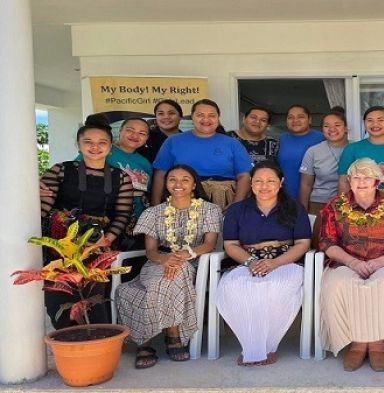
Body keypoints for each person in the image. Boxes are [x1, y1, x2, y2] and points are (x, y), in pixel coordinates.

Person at [115, 165, 221, 369]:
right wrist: (165, 260)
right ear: (165, 184)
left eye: (185, 180)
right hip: (157, 262)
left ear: (193, 185)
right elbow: (151, 251)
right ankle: (172, 337)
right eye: (172, 179)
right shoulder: (153, 212)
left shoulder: (209, 209)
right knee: (157, 280)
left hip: (192, 260)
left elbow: (208, 244)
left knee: (172, 275)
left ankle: (146, 342)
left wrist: (184, 255)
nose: (178, 184)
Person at [318, 158, 384, 372]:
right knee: (340, 283)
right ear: (350, 181)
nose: (361, 182)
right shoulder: (335, 205)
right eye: (356, 177)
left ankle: (377, 345)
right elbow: (326, 242)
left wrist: (382, 261)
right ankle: (357, 344)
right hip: (345, 261)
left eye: (367, 177)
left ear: (377, 182)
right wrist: (352, 261)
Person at [39, 116, 134, 328]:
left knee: (94, 296)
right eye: (88, 142)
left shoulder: (121, 178)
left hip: (99, 244)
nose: (95, 147)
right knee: (59, 294)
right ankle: (69, 337)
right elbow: (43, 209)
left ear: (110, 147)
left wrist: (106, 240)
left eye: (102, 143)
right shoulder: (60, 170)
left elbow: (122, 214)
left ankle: (97, 338)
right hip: (60, 244)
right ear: (78, 145)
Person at [216, 161, 311, 366]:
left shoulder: (294, 208)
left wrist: (274, 263)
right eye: (258, 181)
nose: (264, 186)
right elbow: (231, 244)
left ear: (281, 182)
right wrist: (251, 261)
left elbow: (303, 243)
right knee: (235, 287)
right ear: (251, 183)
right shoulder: (237, 210)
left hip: (285, 263)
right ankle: (251, 346)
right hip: (247, 263)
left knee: (273, 288)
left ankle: (267, 347)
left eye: (270, 181)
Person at [151, 99, 252, 210]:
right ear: (192, 117)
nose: (206, 119)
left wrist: (236, 205)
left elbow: (244, 176)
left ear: (218, 118)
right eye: (200, 115)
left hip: (224, 200)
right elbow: (160, 174)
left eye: (211, 115)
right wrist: (155, 206)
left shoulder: (232, 143)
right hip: (182, 199)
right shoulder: (173, 141)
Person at [299, 110, 349, 215]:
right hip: (319, 204)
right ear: (322, 130)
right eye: (326, 126)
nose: (332, 129)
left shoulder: (357, 148)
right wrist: (303, 213)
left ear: (345, 128)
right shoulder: (313, 151)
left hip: (351, 203)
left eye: (337, 125)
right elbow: (306, 184)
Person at [277, 104, 325, 199]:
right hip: (284, 195)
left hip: (313, 197)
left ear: (309, 120)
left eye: (301, 117)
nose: (295, 121)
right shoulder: (282, 138)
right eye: (290, 117)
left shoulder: (321, 138)